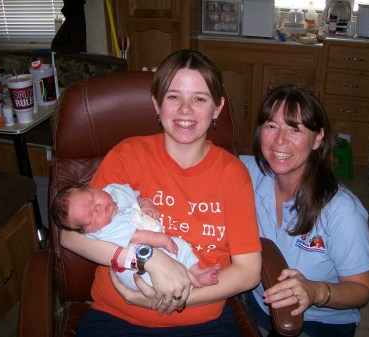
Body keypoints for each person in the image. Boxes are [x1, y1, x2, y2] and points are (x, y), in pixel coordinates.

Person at [60, 49, 262, 337]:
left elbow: (248, 271)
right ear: (157, 104)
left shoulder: (233, 173)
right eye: (173, 96)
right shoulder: (126, 155)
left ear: (217, 108)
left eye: (200, 99)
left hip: (202, 322)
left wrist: (175, 295)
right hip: (118, 316)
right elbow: (70, 236)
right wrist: (147, 258)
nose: (185, 110)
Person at [240, 84, 369, 337]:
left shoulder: (343, 212)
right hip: (258, 306)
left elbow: (361, 289)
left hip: (321, 322)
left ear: (318, 139)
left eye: (295, 129)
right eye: (271, 126)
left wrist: (316, 291)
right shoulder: (247, 173)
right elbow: (196, 155)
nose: (280, 140)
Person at [51, 183, 220, 290]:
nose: (98, 208)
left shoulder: (114, 191)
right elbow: (137, 237)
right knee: (172, 253)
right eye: (90, 217)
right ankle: (191, 282)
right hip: (135, 269)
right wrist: (163, 240)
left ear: (93, 187)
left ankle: (196, 272)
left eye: (93, 198)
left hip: (151, 247)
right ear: (87, 231)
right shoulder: (108, 229)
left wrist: (145, 204)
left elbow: (137, 197)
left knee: (181, 246)